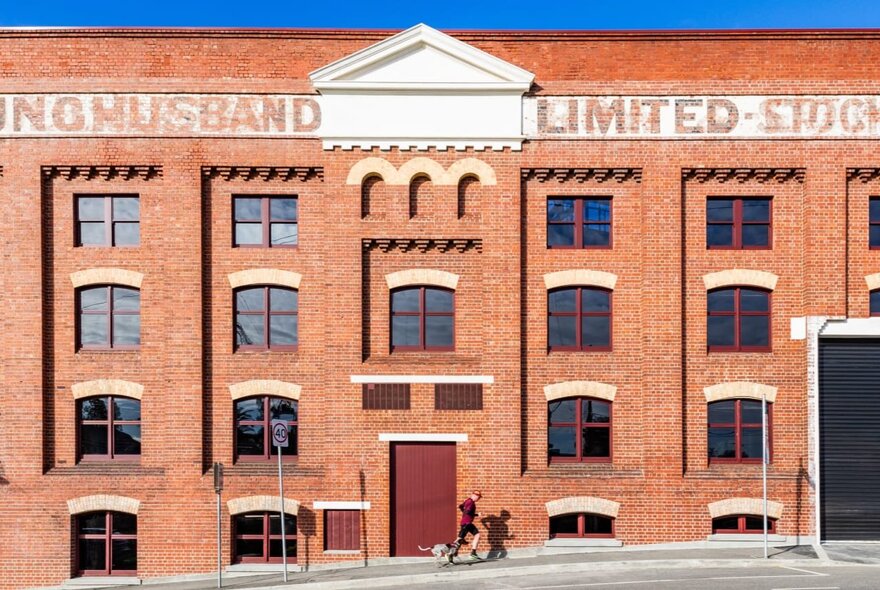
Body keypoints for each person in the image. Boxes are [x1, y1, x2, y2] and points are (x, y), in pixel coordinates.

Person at [449, 490, 482, 562]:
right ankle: (450, 553)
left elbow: (460, 506)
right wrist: (476, 514)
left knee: (461, 539)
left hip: (465, 522)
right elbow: (468, 512)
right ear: (475, 496)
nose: (478, 499)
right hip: (467, 523)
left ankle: (451, 554)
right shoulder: (471, 502)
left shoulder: (467, 500)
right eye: (478, 497)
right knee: (459, 539)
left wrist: (464, 514)